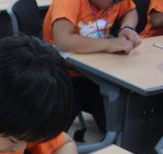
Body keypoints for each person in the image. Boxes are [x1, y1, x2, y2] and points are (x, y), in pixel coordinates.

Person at [43, 0, 141, 136]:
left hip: (97, 74)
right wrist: (108, 44)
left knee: (123, 130)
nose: (116, 4)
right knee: (49, 137)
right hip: (63, 76)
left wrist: (127, 27)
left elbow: (130, 10)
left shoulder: (114, 2)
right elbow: (63, 41)